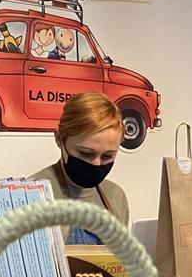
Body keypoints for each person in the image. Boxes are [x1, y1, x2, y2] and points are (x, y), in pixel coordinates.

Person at [29, 91, 130, 244]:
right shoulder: (34, 195)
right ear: (59, 139)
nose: (96, 164)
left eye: (107, 156)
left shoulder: (115, 196)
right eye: (86, 153)